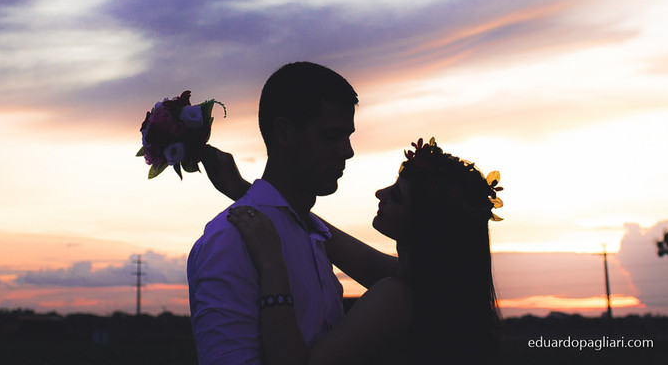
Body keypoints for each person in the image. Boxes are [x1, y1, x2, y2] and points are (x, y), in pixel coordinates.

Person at [220, 137, 503, 364]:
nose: (381, 193)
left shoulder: (398, 294)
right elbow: (360, 260)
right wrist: (247, 191)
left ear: (424, 223)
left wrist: (272, 264)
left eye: (397, 195)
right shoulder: (442, 286)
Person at [187, 62, 364, 365]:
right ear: (283, 133)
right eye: (331, 136)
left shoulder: (313, 235)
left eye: (347, 136)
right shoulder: (230, 239)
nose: (347, 151)